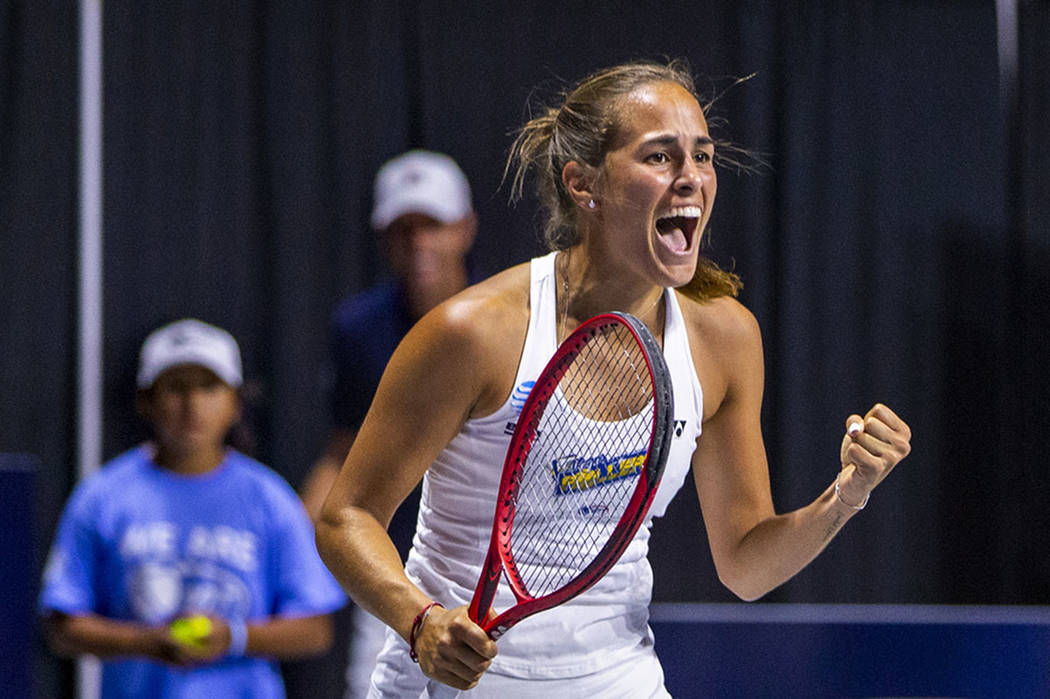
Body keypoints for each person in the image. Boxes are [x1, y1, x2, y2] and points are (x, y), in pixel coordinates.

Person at [315, 59, 912, 698]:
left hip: (618, 680)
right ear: (583, 184)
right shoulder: (473, 332)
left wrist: (846, 496)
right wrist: (421, 621)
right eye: (660, 157)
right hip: (446, 685)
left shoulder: (725, 339)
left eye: (703, 157)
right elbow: (344, 518)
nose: (691, 179)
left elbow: (746, 566)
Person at [40, 318, 346, 698]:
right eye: (176, 388)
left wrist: (233, 638)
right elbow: (62, 626)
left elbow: (315, 629)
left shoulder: (269, 498)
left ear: (235, 402)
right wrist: (146, 641)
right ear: (145, 401)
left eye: (208, 387)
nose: (192, 405)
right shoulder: (101, 496)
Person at [298, 150, 477, 697]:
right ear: (384, 240)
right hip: (394, 580)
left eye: (432, 226)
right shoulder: (359, 329)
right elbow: (343, 453)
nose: (420, 243)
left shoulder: (508, 316)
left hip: (490, 579)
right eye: (404, 230)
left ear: (465, 229)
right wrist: (302, 533)